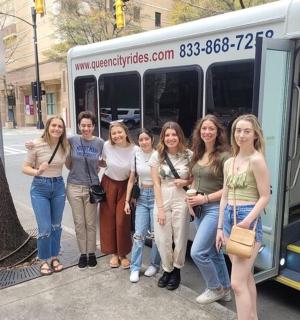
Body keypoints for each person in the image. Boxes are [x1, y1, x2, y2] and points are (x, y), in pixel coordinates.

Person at [216, 114, 270, 320]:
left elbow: (265, 196)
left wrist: (248, 221)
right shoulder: (229, 161)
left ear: (255, 134)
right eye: (238, 130)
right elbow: (224, 196)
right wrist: (220, 227)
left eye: (247, 131)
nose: (241, 135)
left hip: (247, 218)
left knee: (236, 283)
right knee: (245, 277)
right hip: (230, 217)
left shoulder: (257, 160)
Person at [187, 115, 231, 304]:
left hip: (215, 208)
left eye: (211, 129)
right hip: (199, 208)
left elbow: (229, 189)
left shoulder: (225, 156)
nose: (207, 132)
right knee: (214, 252)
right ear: (199, 131)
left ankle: (214, 288)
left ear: (218, 131)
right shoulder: (199, 152)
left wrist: (204, 198)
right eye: (204, 128)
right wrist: (191, 202)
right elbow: (195, 178)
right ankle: (225, 288)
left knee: (197, 252)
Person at [22, 116, 69, 275]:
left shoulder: (65, 145)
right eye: (54, 126)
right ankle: (44, 259)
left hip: (58, 187)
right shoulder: (36, 144)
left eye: (60, 127)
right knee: (44, 228)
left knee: (56, 226)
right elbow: (25, 168)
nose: (57, 129)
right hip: (40, 188)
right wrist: (38, 171)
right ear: (48, 127)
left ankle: (54, 257)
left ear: (63, 130)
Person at [149, 121, 192, 290]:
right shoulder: (157, 155)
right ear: (163, 138)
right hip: (162, 196)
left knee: (180, 238)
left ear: (179, 136)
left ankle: (177, 270)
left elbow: (194, 179)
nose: (171, 138)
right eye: (167, 135)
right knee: (161, 238)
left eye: (174, 134)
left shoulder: (189, 155)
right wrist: (160, 209)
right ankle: (167, 269)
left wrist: (186, 181)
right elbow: (156, 183)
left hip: (181, 198)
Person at [65, 111, 104, 269]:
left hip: (92, 188)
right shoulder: (72, 140)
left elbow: (108, 159)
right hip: (74, 186)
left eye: (89, 125)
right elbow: (52, 140)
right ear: (79, 126)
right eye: (83, 125)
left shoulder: (100, 142)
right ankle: (83, 253)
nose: (86, 128)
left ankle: (92, 253)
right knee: (79, 223)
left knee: (91, 223)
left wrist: (102, 164)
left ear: (94, 126)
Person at [124, 129, 161, 283]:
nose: (144, 142)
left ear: (152, 139)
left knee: (156, 235)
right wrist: (127, 200)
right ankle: (135, 268)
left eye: (146, 139)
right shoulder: (136, 154)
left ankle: (154, 265)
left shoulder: (159, 155)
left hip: (156, 197)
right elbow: (132, 179)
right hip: (141, 198)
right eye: (141, 139)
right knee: (139, 235)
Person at [100, 121, 138, 269]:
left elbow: (133, 175)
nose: (117, 136)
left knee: (122, 221)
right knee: (108, 219)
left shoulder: (135, 149)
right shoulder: (106, 146)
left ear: (126, 132)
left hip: (125, 186)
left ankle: (123, 254)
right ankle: (114, 253)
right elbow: (102, 162)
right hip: (108, 183)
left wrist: (130, 197)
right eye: (113, 133)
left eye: (119, 132)